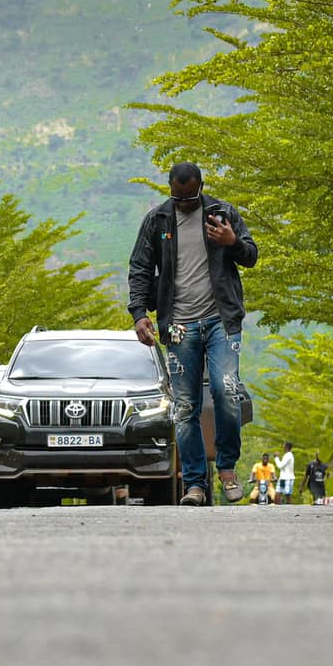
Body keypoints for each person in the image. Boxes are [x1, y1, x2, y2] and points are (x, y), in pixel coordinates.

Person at [129, 161, 258, 506]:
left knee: (225, 391)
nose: (184, 203)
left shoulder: (223, 213)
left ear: (200, 188)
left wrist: (232, 242)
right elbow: (140, 267)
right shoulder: (157, 221)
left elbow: (251, 256)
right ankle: (195, 485)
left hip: (221, 321)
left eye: (191, 197)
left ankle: (227, 468)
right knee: (186, 407)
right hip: (177, 326)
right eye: (178, 197)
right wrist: (140, 313)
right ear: (170, 189)